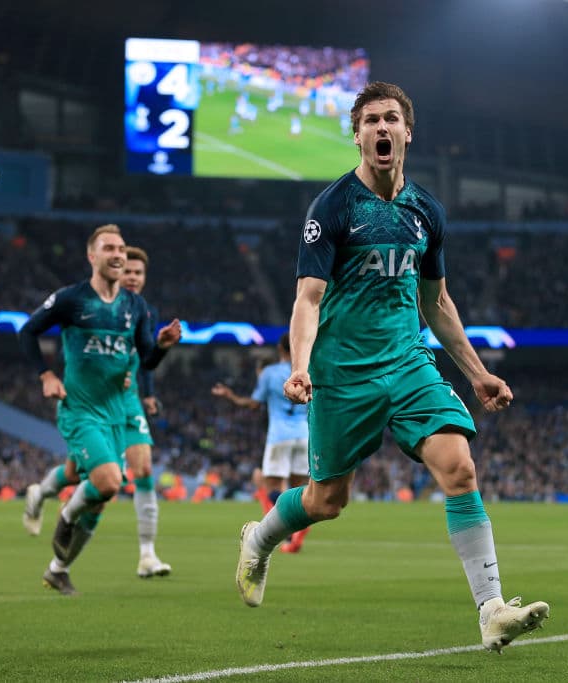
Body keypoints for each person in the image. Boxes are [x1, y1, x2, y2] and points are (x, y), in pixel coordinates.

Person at [234, 82, 549, 651]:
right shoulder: (331, 208)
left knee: (459, 467)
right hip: (344, 371)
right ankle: (258, 539)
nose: (382, 128)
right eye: (371, 120)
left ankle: (492, 610)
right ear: (357, 135)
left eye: (392, 119)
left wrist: (476, 373)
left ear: (408, 132)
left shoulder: (427, 211)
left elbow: (437, 301)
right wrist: (300, 364)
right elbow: (308, 298)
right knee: (327, 501)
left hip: (407, 361)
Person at [18, 225, 181, 595]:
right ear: (92, 256)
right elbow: (27, 332)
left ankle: (59, 568)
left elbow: (148, 362)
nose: (118, 254)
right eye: (109, 247)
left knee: (101, 494)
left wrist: (164, 346)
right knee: (108, 481)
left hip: (115, 411)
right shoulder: (71, 299)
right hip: (80, 409)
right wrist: (45, 374)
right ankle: (66, 513)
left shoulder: (135, 307)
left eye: (121, 248)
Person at [211, 333, 311, 553]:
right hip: (305, 434)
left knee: (272, 489)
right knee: (300, 490)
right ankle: (295, 536)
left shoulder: (270, 373)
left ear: (279, 348)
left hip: (279, 436)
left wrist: (231, 396)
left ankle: (284, 534)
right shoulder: (309, 371)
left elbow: (254, 404)